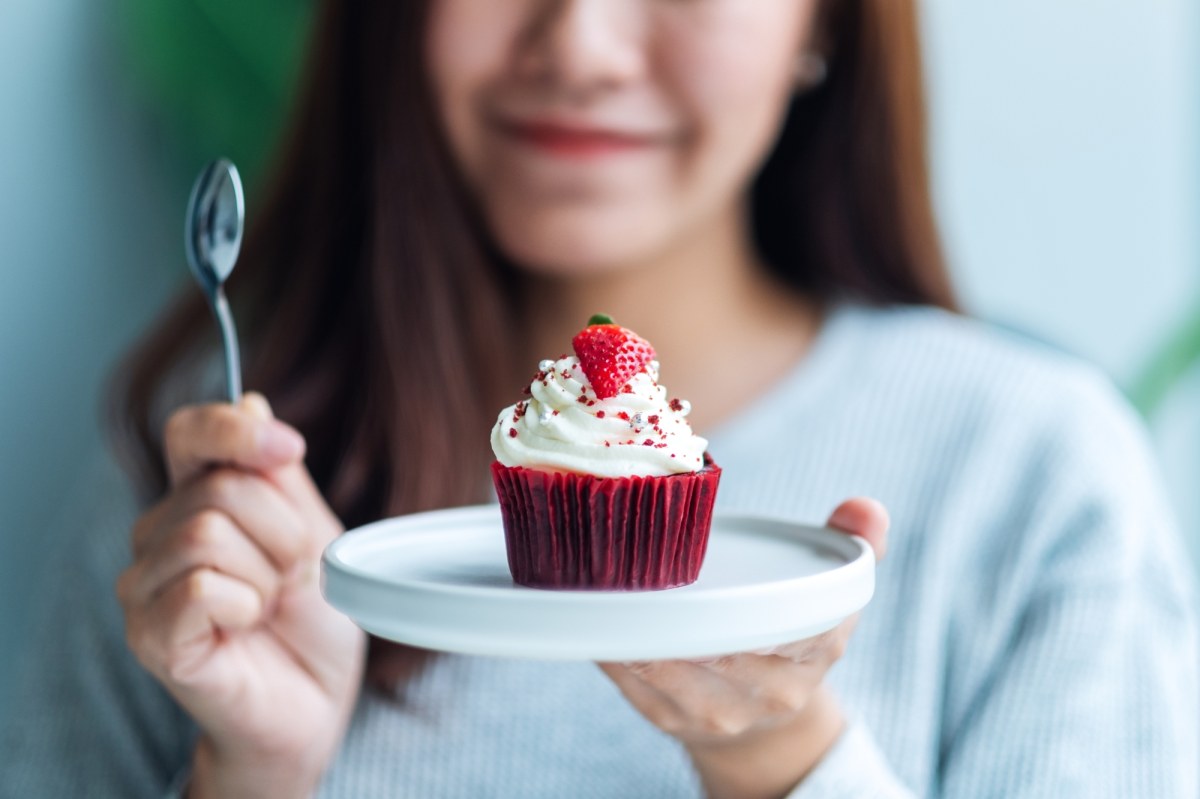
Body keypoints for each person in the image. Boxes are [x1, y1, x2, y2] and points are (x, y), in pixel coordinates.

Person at [3, 1, 1196, 796]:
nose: (579, 44)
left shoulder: (1033, 473)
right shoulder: (212, 477)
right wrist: (250, 773)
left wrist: (781, 755)